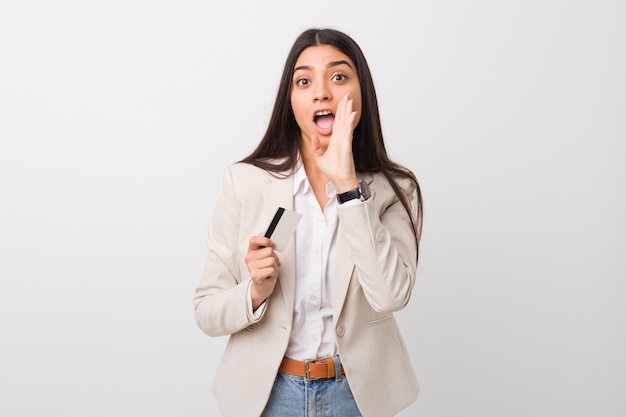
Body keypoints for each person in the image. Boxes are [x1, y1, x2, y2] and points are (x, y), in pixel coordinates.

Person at [193, 28, 423, 417]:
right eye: (304, 81)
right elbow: (206, 311)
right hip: (268, 398)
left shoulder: (394, 190)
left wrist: (349, 187)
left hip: (358, 398)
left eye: (338, 77)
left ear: (360, 92)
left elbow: (390, 296)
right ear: (291, 100)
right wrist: (255, 291)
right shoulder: (246, 183)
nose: (321, 92)